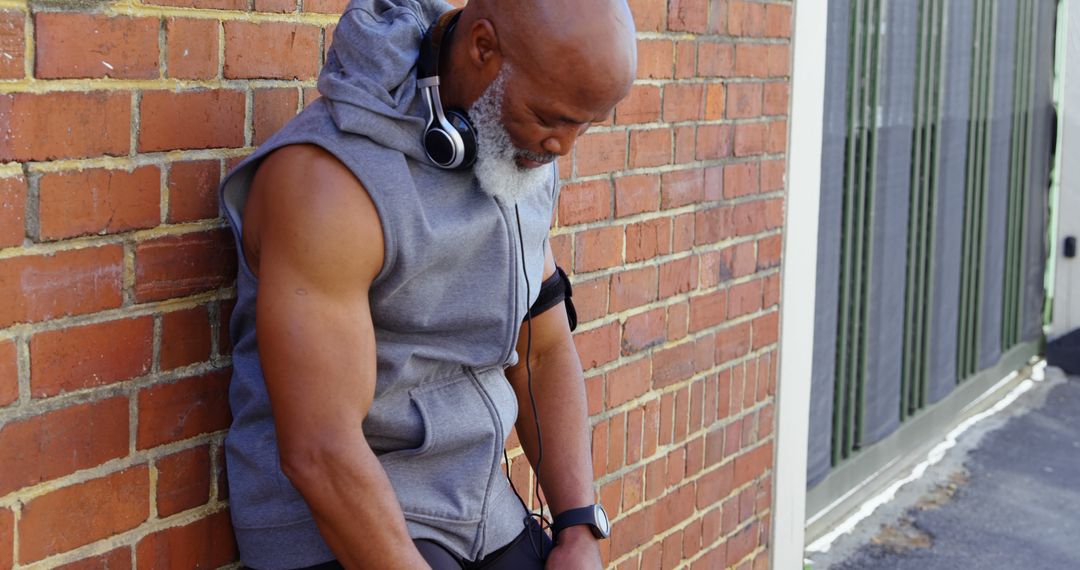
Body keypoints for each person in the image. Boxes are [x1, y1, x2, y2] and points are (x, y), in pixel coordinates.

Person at [218, 0, 637, 568]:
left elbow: (541, 352)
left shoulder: (517, 154)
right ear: (483, 49)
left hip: (480, 515)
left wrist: (577, 527)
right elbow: (321, 453)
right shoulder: (330, 186)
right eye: (550, 118)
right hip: (346, 527)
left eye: (583, 124)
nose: (562, 147)